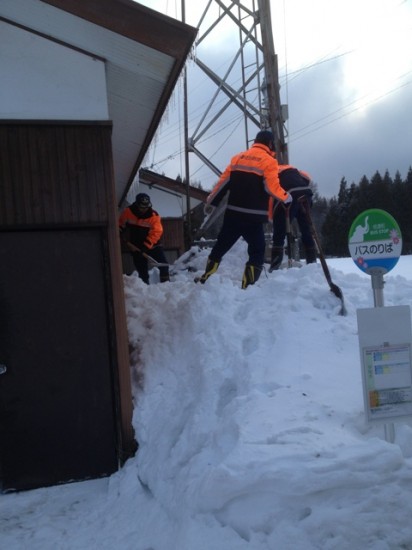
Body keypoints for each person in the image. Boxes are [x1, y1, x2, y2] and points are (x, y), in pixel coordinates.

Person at [197, 130, 292, 288]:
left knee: (220, 247)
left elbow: (223, 184)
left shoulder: (238, 158)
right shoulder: (269, 161)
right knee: (257, 250)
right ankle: (247, 286)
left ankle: (206, 277)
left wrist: (211, 202)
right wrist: (286, 197)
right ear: (270, 143)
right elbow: (271, 187)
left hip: (233, 215)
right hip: (254, 219)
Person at [269, 165, 317, 271]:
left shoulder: (270, 171)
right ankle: (312, 264)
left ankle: (275, 266)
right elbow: (307, 178)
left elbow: (271, 200)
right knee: (307, 230)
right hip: (305, 192)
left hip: (289, 194)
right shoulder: (290, 169)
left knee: (279, 233)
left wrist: (273, 219)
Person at [119, 193, 170, 284]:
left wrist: (146, 246)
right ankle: (145, 290)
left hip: (153, 245)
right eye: (142, 207)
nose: (145, 209)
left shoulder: (153, 215)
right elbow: (120, 224)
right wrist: (119, 231)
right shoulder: (128, 212)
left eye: (147, 207)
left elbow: (157, 232)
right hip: (136, 247)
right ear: (137, 204)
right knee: (142, 272)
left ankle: (166, 286)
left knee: (164, 266)